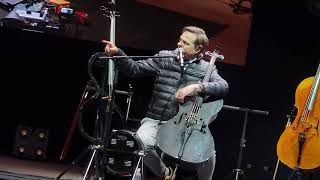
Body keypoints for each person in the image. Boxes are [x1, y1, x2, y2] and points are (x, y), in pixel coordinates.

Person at [102, 26, 229, 180]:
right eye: (180, 39)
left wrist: (197, 87)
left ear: (198, 49)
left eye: (185, 42)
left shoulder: (206, 68)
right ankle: (165, 174)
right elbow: (135, 69)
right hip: (155, 120)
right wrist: (118, 53)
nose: (179, 44)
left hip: (184, 125)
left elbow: (223, 86)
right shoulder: (165, 57)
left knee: (208, 154)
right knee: (140, 144)